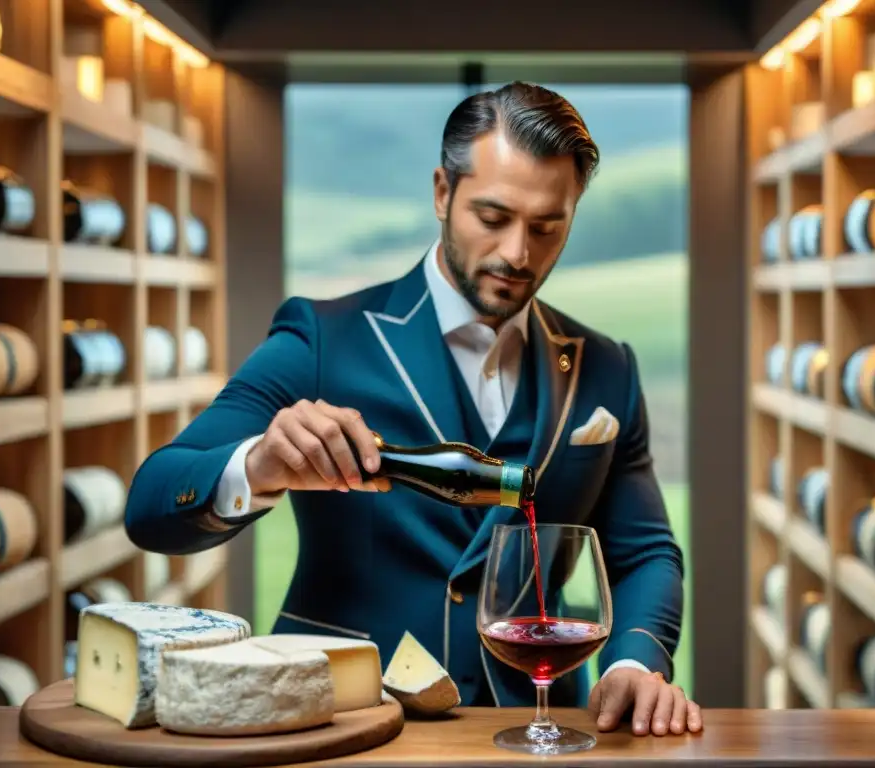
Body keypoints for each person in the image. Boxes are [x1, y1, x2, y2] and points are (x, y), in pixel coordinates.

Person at [124, 81, 701, 737]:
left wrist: (634, 659)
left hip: (543, 727)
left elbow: (645, 553)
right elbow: (151, 505)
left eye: (547, 227)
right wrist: (258, 466)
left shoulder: (607, 369)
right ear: (441, 193)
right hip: (345, 726)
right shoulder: (320, 339)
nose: (518, 253)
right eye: (492, 218)